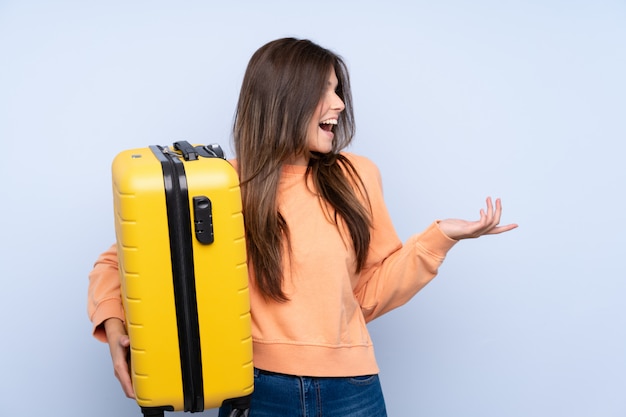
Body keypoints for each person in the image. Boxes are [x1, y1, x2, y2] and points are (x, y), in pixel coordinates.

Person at [87, 37, 517, 417]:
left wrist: (441, 238)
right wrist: (114, 323)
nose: (340, 104)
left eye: (338, 90)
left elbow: (366, 295)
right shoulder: (218, 184)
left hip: (353, 389)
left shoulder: (357, 176)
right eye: (325, 91)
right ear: (284, 98)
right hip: (254, 388)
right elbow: (119, 259)